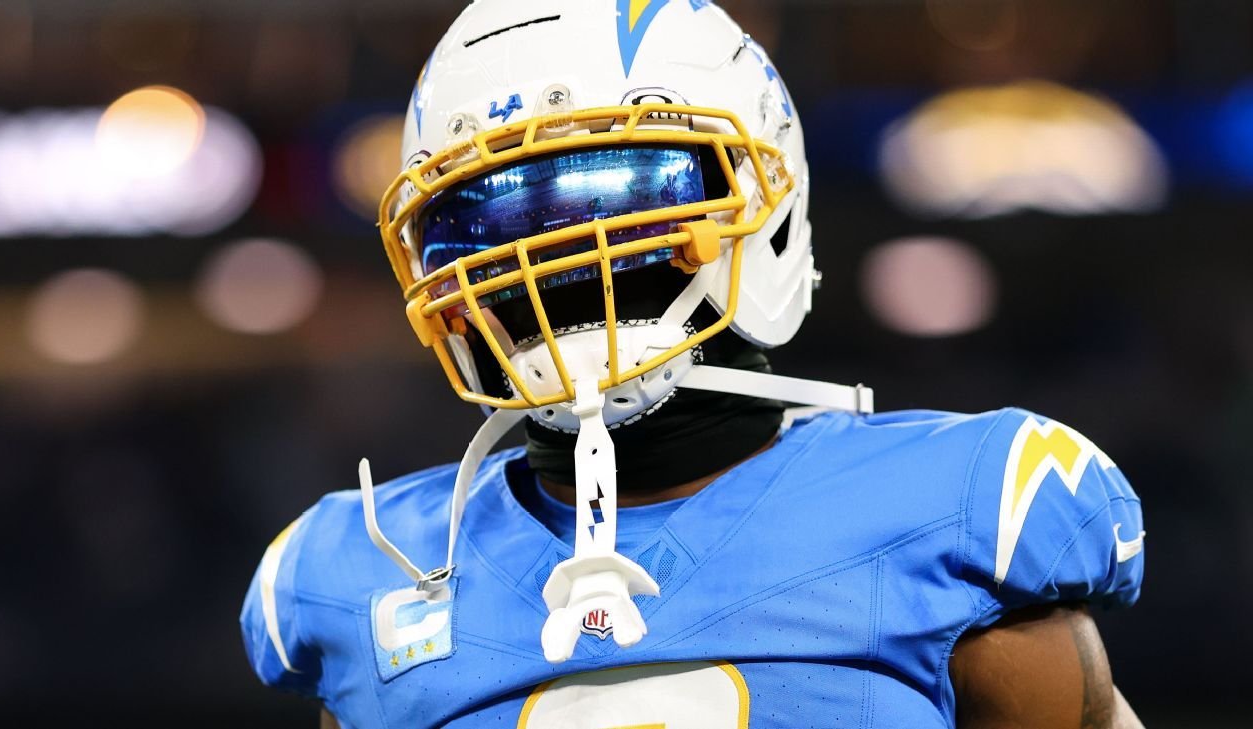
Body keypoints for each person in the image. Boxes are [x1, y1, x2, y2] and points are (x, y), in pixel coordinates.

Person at [241, 1, 1147, 726]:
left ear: (766, 206)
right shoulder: (357, 573)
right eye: (488, 219)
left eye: (627, 196)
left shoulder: (957, 510)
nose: (558, 256)